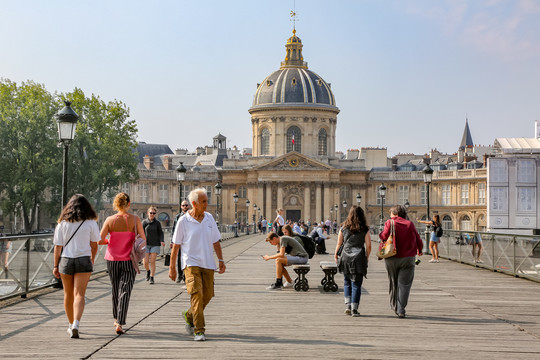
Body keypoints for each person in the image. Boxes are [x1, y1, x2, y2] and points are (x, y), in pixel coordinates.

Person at [169, 188, 226, 341]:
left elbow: (215, 241)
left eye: (207, 200)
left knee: (207, 295)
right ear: (194, 204)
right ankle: (199, 330)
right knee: (197, 294)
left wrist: (220, 260)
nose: (207, 204)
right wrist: (172, 267)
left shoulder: (209, 218)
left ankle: (188, 315)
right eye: (204, 201)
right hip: (190, 263)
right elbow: (176, 246)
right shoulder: (183, 221)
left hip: (208, 262)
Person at [52, 194, 100, 338]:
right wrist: (92, 259)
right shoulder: (91, 223)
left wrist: (55, 265)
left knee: (68, 294)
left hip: (66, 260)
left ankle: (70, 323)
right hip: (84, 259)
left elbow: (57, 247)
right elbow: (94, 245)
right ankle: (76, 324)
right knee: (79, 294)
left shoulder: (62, 223)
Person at [99, 192, 146, 335]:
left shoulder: (109, 220)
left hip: (112, 260)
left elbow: (99, 240)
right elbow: (143, 239)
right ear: (129, 204)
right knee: (125, 290)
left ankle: (115, 317)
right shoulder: (135, 219)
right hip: (128, 260)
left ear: (115, 205)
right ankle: (120, 322)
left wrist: (110, 241)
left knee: (115, 289)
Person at [380, 205, 423, 318]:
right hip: (408, 258)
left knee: (393, 282)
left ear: (395, 214)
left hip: (391, 257)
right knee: (404, 285)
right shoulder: (410, 224)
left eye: (391, 214)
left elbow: (384, 236)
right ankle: (401, 309)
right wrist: (420, 250)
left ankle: (394, 305)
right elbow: (418, 238)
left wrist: (381, 235)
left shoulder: (389, 222)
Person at [334, 206, 371, 317]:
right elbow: (368, 245)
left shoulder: (343, 228)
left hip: (345, 256)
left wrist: (336, 255)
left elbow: (339, 243)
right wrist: (367, 256)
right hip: (359, 256)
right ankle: (355, 309)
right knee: (356, 284)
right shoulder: (364, 229)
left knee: (346, 282)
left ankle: (348, 306)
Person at [142, 206, 164, 284]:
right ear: (148, 213)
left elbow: (161, 232)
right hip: (146, 244)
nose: (152, 214)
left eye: (154, 213)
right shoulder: (144, 222)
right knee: (145, 262)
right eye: (151, 213)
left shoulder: (157, 223)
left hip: (155, 244)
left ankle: (152, 277)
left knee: (152, 261)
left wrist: (162, 240)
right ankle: (148, 271)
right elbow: (141, 232)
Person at [171, 200, 190, 283]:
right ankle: (180, 275)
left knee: (187, 258)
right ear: (181, 207)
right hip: (179, 240)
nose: (185, 207)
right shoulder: (178, 217)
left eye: (186, 205)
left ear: (189, 206)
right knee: (179, 258)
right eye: (183, 205)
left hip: (188, 241)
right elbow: (174, 229)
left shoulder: (192, 216)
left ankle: (186, 275)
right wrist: (172, 241)